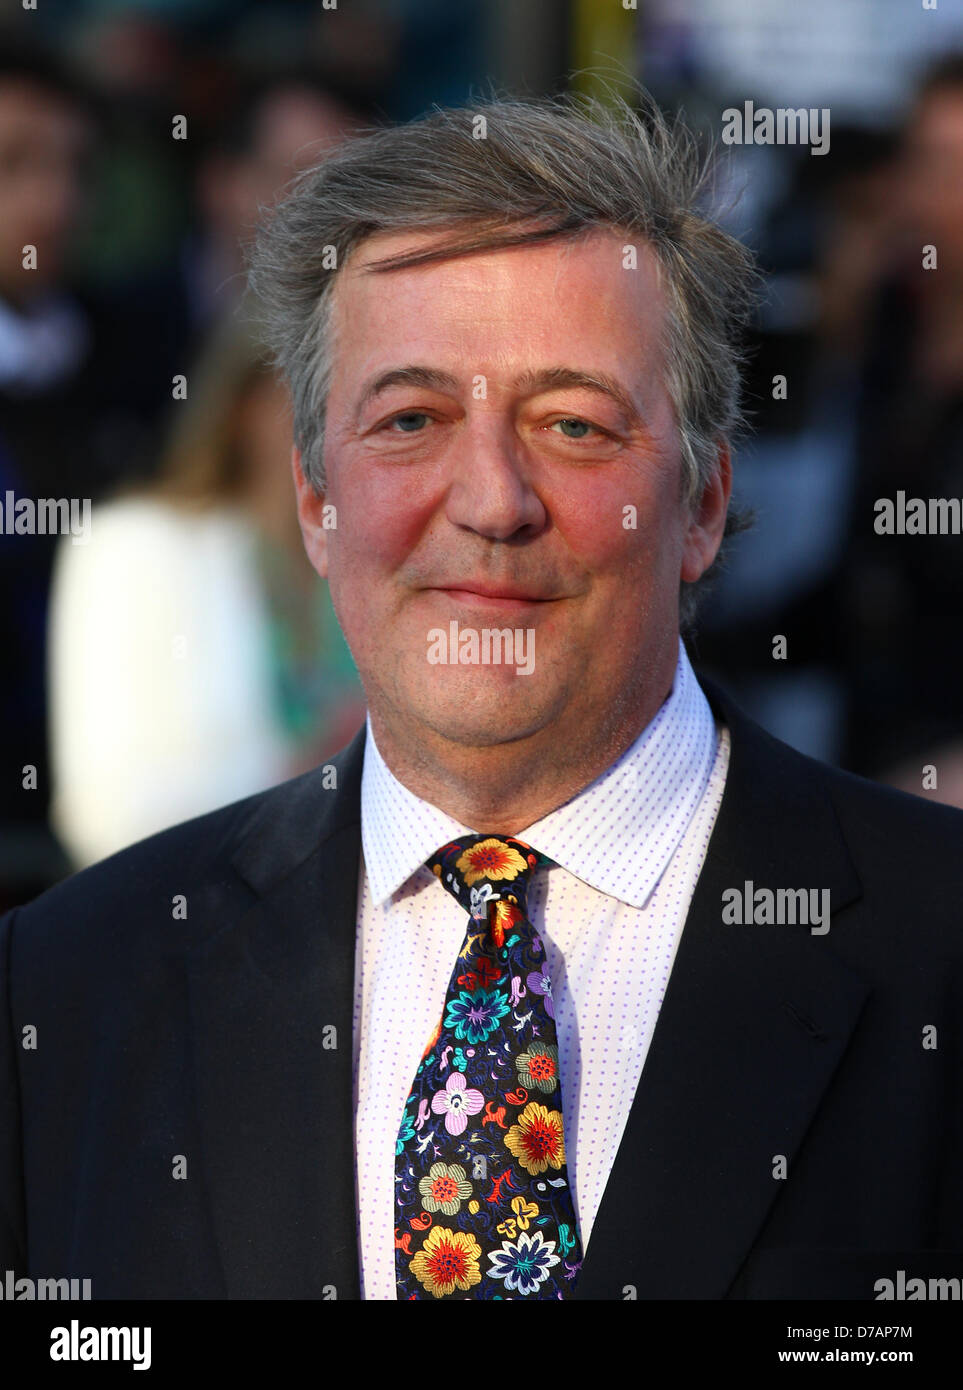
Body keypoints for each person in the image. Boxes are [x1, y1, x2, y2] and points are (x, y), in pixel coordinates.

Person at [2, 90, 962, 1301]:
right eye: (410, 420)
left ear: (704, 503)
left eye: (573, 423)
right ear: (315, 501)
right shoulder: (66, 989)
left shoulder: (938, 944)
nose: (491, 499)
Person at [46, 318, 366, 870]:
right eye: (320, 387)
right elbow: (107, 810)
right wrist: (310, 774)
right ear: (246, 403)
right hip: (189, 920)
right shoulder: (136, 547)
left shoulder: (383, 560)